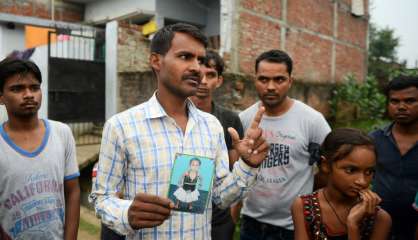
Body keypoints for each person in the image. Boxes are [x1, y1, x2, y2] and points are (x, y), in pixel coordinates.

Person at [90, 23, 269, 240]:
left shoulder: (211, 126)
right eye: (185, 56)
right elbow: (102, 198)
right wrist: (127, 213)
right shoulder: (121, 127)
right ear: (156, 61)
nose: (197, 68)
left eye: (200, 60)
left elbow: (221, 197)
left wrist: (248, 166)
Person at [237, 49, 331, 240]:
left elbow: (330, 168)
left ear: (290, 81)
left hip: (295, 225)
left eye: (279, 79)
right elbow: (238, 173)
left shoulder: (312, 121)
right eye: (263, 79)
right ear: (254, 80)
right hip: (251, 223)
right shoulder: (244, 119)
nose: (270, 86)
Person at [0, 58, 80, 239]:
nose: (28, 94)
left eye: (34, 87)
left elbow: (73, 192)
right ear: (1, 97)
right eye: (17, 89)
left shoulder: (62, 133)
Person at [291, 128, 392, 239]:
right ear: (325, 165)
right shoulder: (304, 207)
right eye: (351, 170)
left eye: (369, 172)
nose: (362, 181)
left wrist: (353, 225)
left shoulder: (380, 218)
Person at [189, 49, 244, 239]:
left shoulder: (230, 120)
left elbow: (234, 171)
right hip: (182, 210)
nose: (203, 81)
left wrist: (232, 218)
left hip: (219, 217)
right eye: (198, 74)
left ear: (219, 81)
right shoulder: (174, 116)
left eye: (210, 75)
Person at [369, 75, 418, 240]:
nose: (401, 107)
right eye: (394, 101)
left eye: (410, 101)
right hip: (379, 223)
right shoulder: (374, 139)